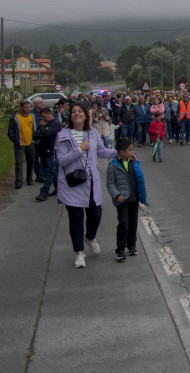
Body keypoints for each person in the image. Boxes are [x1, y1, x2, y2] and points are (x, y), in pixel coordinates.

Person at [55, 101, 118, 269]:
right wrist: (80, 149)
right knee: (76, 218)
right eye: (74, 112)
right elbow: (61, 160)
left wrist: (120, 153)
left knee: (96, 214)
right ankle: (79, 252)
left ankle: (90, 237)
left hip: (91, 182)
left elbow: (102, 151)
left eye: (80, 112)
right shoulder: (63, 135)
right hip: (72, 183)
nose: (77, 114)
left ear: (85, 115)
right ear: (70, 115)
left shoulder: (92, 133)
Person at [106, 139, 147, 262]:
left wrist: (141, 195)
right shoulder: (113, 166)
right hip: (122, 200)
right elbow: (110, 184)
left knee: (133, 223)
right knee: (123, 223)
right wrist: (116, 195)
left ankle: (132, 245)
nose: (132, 152)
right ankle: (120, 248)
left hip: (134, 198)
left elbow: (139, 179)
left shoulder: (134, 162)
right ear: (121, 152)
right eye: (130, 150)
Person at [34, 107, 62, 201]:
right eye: (41, 117)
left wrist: (42, 128)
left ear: (49, 114)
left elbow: (46, 133)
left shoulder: (56, 124)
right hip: (43, 150)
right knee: (52, 172)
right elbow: (35, 135)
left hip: (51, 150)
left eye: (44, 117)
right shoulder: (45, 124)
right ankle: (58, 189)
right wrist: (42, 131)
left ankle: (44, 192)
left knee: (49, 172)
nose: (42, 119)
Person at [8, 99, 37, 189]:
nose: (27, 109)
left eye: (29, 107)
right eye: (25, 107)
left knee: (31, 162)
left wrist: (34, 139)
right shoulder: (15, 118)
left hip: (30, 142)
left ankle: (29, 178)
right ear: (21, 107)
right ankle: (19, 181)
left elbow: (34, 129)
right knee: (19, 163)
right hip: (20, 143)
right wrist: (15, 141)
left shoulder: (32, 116)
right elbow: (10, 131)